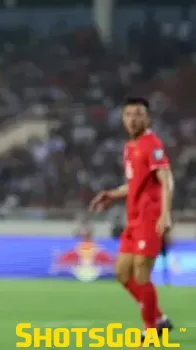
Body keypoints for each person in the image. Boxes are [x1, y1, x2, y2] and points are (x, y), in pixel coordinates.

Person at [90, 97, 174, 340]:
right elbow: (135, 183)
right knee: (121, 273)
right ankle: (158, 318)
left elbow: (166, 179)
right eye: (128, 114)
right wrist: (112, 194)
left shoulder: (152, 144)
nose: (132, 119)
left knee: (140, 273)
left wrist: (165, 214)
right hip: (133, 220)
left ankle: (151, 330)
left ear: (147, 117)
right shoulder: (130, 147)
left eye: (138, 114)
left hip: (150, 219)